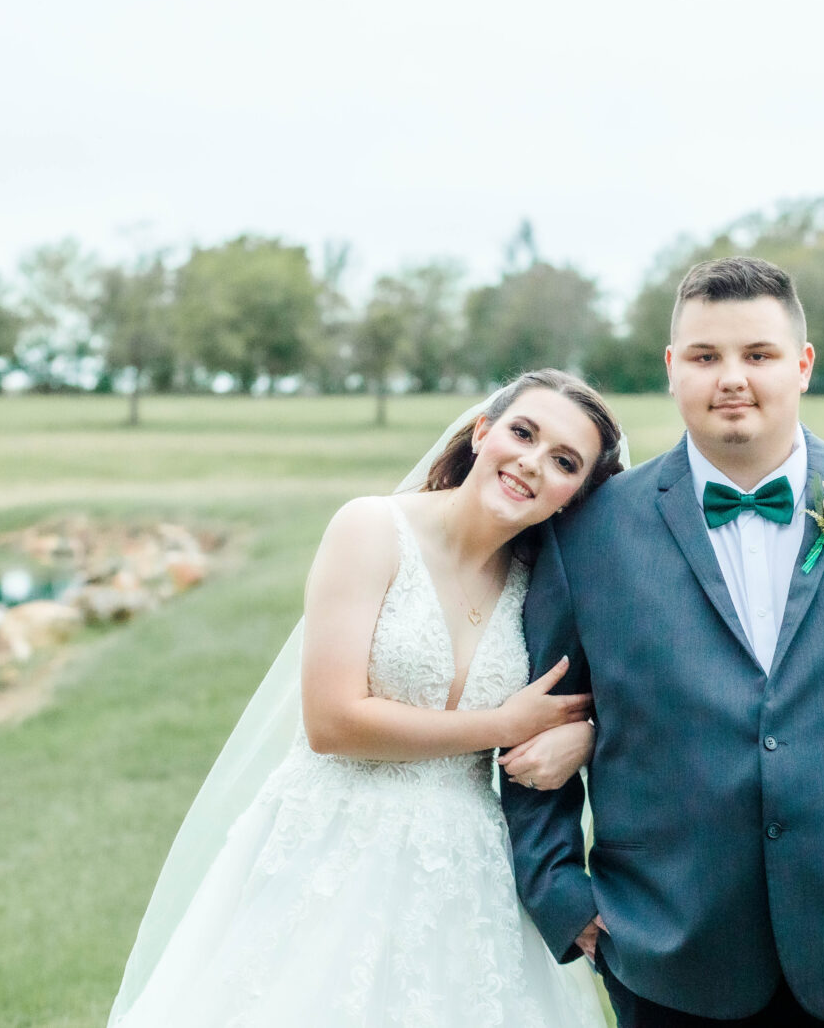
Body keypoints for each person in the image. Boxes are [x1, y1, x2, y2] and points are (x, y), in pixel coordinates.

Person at [502, 257, 824, 1027]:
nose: (732, 379)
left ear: (803, 365)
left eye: (758, 355)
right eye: (705, 356)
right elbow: (534, 721)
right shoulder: (584, 536)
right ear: (671, 368)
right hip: (668, 951)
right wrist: (562, 893)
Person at [107, 369, 626, 1027]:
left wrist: (582, 734)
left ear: (572, 496)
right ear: (482, 432)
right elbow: (332, 719)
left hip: (466, 867)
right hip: (331, 846)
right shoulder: (371, 528)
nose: (531, 462)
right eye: (523, 432)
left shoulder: (542, 589)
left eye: (562, 461)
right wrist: (501, 722)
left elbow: (609, 698)